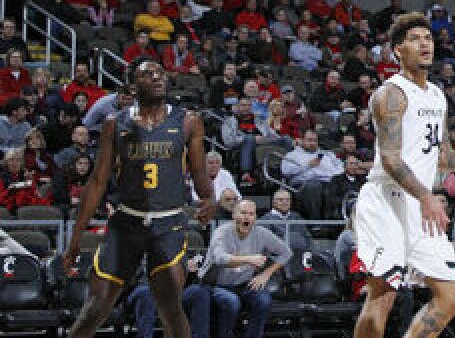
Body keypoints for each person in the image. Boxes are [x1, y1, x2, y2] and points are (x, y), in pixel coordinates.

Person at [353, 13, 455, 338]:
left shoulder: (436, 95)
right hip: (386, 201)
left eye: (427, 38)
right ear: (398, 50)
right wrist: (427, 196)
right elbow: (389, 159)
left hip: (419, 205)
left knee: (452, 296)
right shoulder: (391, 94)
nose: (424, 43)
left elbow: (441, 155)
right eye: (415, 39)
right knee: (383, 294)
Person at [61, 59, 215, 338]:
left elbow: (198, 169)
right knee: (96, 306)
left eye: (160, 74)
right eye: (148, 75)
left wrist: (208, 197)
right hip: (127, 222)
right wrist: (75, 240)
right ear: (133, 86)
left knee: (170, 307)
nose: (157, 78)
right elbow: (97, 183)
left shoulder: (188, 121)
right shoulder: (114, 123)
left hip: (168, 224)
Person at [201, 199, 292, 338]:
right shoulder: (222, 232)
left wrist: (265, 274)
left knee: (263, 300)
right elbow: (220, 258)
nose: (247, 217)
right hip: (215, 285)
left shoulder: (261, 233)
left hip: (244, 284)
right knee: (231, 302)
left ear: (255, 217)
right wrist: (249, 259)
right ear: (233, 215)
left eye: (251, 214)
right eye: (243, 213)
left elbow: (286, 252)